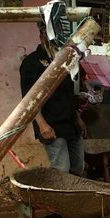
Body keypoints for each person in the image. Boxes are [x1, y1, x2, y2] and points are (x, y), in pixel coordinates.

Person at [20, 21, 86, 176]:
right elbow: (28, 100)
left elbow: (68, 94)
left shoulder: (63, 60)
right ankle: (59, 200)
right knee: (61, 170)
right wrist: (42, 125)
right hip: (51, 124)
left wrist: (77, 118)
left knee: (78, 167)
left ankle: (74, 199)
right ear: (41, 37)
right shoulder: (31, 62)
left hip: (70, 123)